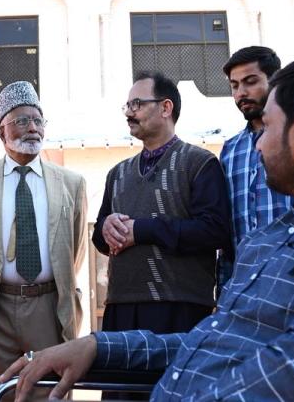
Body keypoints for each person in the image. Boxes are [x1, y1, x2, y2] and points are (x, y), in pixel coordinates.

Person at [0, 56, 294, 401]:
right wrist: (99, 348)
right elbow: (213, 342)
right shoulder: (277, 232)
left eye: (268, 126)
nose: (256, 143)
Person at [0, 81, 88, 401]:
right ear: (2, 131)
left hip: (49, 310)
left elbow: (75, 252)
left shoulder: (72, 184)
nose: (33, 128)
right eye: (22, 121)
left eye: (38, 120)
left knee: (51, 393)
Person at [93, 72, 231, 338]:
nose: (129, 113)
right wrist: (106, 228)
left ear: (166, 107)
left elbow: (215, 231)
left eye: (137, 104)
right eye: (127, 106)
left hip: (180, 310)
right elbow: (99, 240)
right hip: (119, 309)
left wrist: (141, 230)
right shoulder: (117, 173)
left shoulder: (200, 163)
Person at [216, 47, 291, 294]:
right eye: (235, 86)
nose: (241, 93)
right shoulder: (230, 150)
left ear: (275, 79)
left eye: (250, 82)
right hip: (242, 287)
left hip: (293, 279)